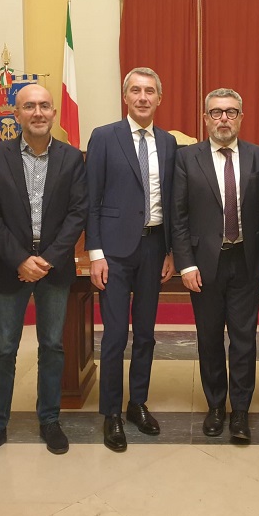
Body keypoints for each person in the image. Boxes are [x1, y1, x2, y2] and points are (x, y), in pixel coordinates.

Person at [0, 84, 88, 463]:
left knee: (52, 346)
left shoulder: (72, 158)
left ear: (53, 113)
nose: (37, 112)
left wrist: (48, 259)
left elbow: (77, 213)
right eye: (29, 106)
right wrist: (21, 259)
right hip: (11, 268)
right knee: (4, 348)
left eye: (44, 106)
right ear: (16, 113)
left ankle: (49, 420)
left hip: (54, 268)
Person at [86, 67, 177, 452]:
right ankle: (111, 412)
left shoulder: (169, 142)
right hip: (114, 253)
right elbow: (91, 199)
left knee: (145, 333)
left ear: (159, 98)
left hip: (154, 249)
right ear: (126, 97)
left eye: (149, 91)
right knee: (114, 335)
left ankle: (137, 402)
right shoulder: (104, 137)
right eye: (136, 90)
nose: (143, 97)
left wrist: (170, 250)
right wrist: (95, 253)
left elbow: (172, 200)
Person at [171, 88, 259, 442]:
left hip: (246, 261)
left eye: (230, 112)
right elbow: (178, 215)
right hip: (204, 264)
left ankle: (240, 410)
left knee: (244, 340)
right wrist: (185, 264)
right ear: (205, 118)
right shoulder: (187, 158)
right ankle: (215, 406)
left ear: (241, 117)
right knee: (209, 338)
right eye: (216, 112)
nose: (223, 118)